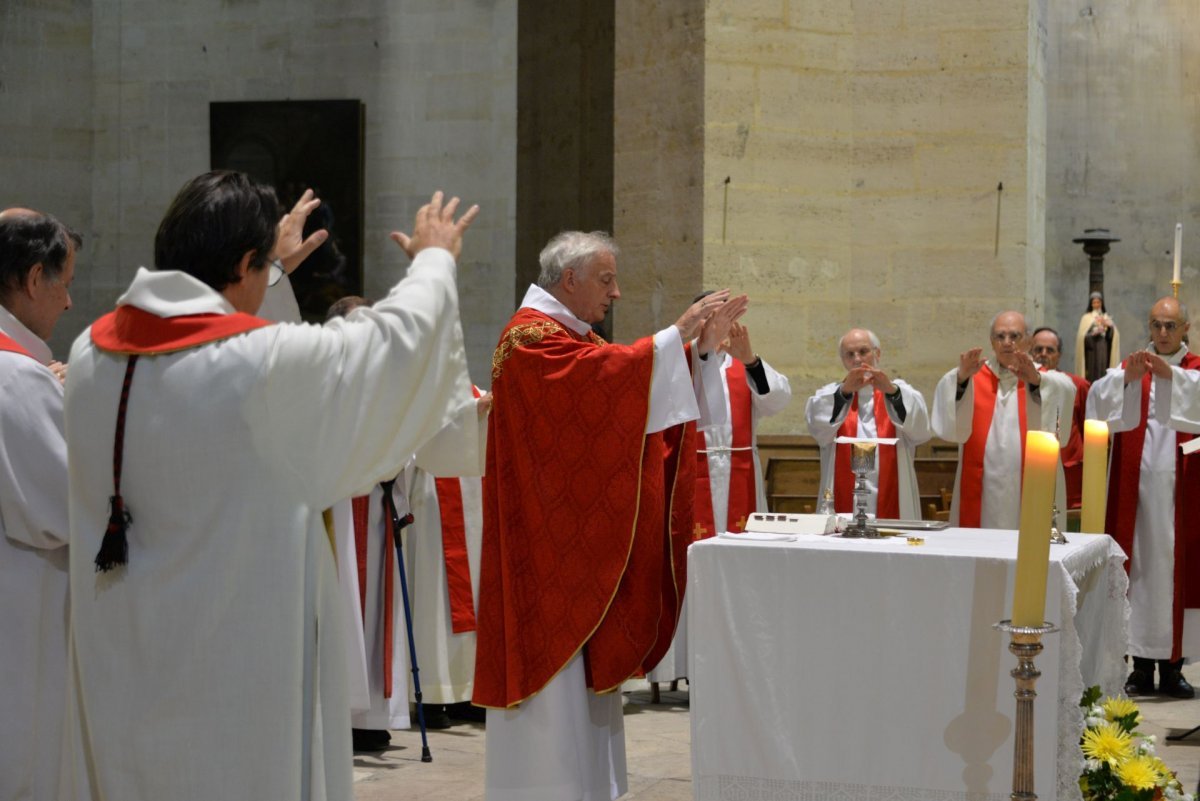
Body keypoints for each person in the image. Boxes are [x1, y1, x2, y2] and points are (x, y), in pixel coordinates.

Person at [59, 171, 479, 801]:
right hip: (230, 670)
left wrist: (273, 270)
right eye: (260, 269)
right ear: (243, 262)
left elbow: (231, 336)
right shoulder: (258, 364)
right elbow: (393, 345)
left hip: (125, 657)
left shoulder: (91, 353)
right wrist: (433, 264)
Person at [473, 230, 746, 801]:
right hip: (545, 555)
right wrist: (675, 337)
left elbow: (622, 395)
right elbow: (604, 387)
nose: (616, 293)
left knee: (584, 688)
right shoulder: (529, 340)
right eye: (606, 279)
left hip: (570, 546)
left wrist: (695, 352)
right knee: (552, 697)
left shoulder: (570, 338)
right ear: (568, 279)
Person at [647, 313, 791, 685]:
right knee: (690, 568)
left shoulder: (745, 365)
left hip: (740, 473)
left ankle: (737, 663)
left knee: (740, 570)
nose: (722, 333)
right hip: (691, 475)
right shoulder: (679, 362)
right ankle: (687, 665)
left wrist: (752, 361)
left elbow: (777, 400)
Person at [0, 208, 79, 801]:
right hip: (24, 599)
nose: (71, 302)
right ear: (32, 280)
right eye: (65, 282)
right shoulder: (19, 377)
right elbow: (63, 507)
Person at [1088, 296, 1200, 699]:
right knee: (1136, 572)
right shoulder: (1132, 364)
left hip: (1181, 491)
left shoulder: (1194, 369)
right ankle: (1139, 667)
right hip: (1133, 490)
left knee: (1174, 572)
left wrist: (1174, 378)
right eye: (1157, 325)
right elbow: (1097, 403)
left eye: (1171, 325)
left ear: (1186, 327)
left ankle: (1172, 668)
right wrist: (1125, 380)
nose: (1163, 333)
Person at [932, 310, 1074, 529]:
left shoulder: (1042, 376)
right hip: (984, 486)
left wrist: (1036, 382)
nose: (1007, 343)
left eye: (1014, 336)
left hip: (1030, 484)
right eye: (1000, 336)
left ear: (1027, 340)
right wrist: (961, 379)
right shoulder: (973, 374)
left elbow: (1065, 389)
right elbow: (947, 401)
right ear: (991, 341)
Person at [806, 328, 931, 520]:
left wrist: (891, 391)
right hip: (844, 494)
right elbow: (817, 427)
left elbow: (921, 431)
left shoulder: (899, 392)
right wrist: (844, 392)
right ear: (843, 360)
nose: (857, 359)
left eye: (863, 351)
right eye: (850, 354)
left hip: (892, 492)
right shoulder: (831, 394)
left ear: (877, 353)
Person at [1031, 326, 1090, 509]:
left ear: (1059, 355)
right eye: (1038, 349)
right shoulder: (1020, 386)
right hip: (1033, 468)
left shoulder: (1076, 385)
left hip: (1069, 472)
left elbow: (1087, 428)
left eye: (1050, 350)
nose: (1043, 354)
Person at [1076, 290, 1120, 382]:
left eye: (1098, 302)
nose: (1096, 304)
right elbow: (1082, 338)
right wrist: (1093, 334)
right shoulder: (1086, 318)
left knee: (1103, 371)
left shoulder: (1106, 317)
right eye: (1094, 302)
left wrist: (1109, 328)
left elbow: (1113, 337)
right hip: (1092, 351)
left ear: (1101, 303)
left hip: (1103, 349)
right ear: (1091, 304)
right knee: (1093, 373)